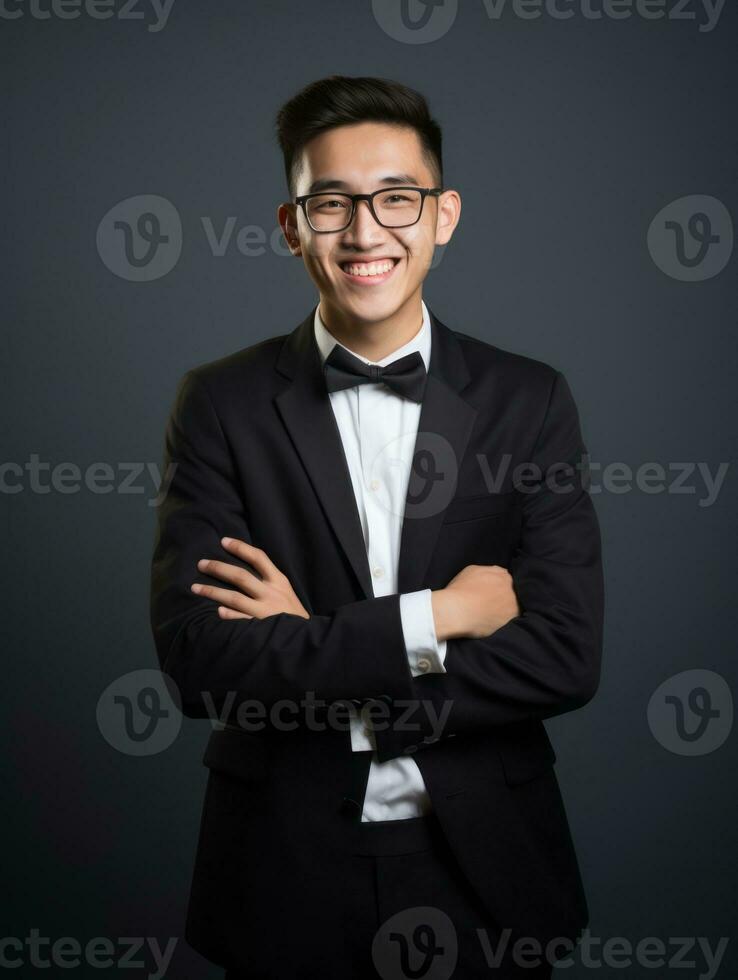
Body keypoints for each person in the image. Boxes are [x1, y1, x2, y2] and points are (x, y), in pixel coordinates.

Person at [149, 74, 604, 980]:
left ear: (444, 215)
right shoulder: (220, 404)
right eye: (331, 204)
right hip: (280, 866)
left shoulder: (530, 399)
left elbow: (565, 654)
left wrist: (308, 643)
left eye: (397, 198)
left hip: (487, 863)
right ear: (292, 225)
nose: (365, 234)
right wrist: (431, 618)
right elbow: (201, 665)